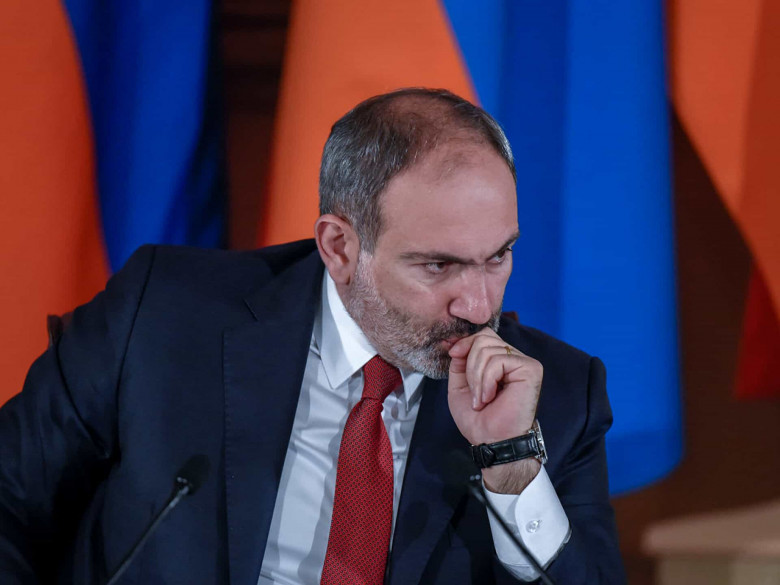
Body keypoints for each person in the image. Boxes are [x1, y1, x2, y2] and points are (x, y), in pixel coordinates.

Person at [0, 88, 625, 584]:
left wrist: (510, 465)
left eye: (498, 256)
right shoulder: (162, 319)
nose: (479, 305)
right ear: (340, 247)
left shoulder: (554, 399)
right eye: (438, 266)